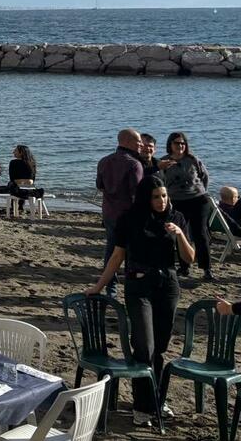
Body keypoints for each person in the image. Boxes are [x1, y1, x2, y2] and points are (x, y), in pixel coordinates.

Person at [86, 176, 194, 427]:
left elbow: (189, 259)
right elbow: (117, 256)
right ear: (147, 197)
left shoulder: (176, 218)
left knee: (160, 348)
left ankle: (156, 400)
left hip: (168, 286)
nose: (162, 201)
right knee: (144, 346)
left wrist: (179, 235)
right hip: (138, 287)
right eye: (156, 196)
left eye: (165, 196)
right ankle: (142, 405)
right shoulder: (130, 219)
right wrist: (99, 285)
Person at [96, 128, 145, 296]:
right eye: (138, 141)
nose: (141, 144)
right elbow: (138, 194)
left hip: (109, 212)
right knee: (130, 252)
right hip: (128, 215)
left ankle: (110, 287)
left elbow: (100, 186)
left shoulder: (104, 161)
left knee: (111, 249)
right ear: (127, 142)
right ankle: (129, 286)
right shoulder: (134, 164)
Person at [159, 131, 212, 281]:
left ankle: (206, 269)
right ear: (170, 144)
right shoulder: (164, 162)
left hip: (198, 200)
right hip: (176, 202)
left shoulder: (193, 160)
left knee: (200, 234)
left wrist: (200, 191)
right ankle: (184, 267)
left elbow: (204, 177)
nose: (180, 146)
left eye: (183, 143)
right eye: (177, 143)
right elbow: (160, 183)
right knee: (180, 234)